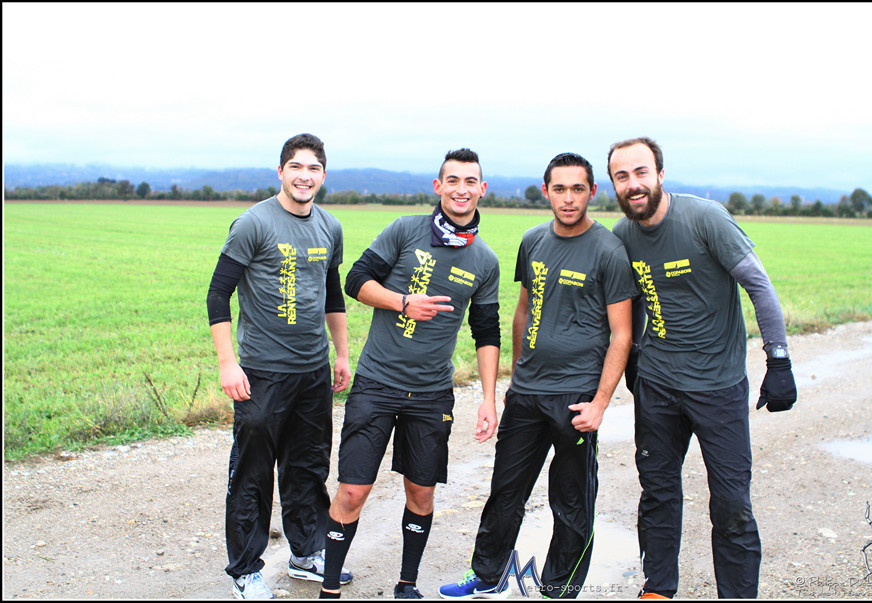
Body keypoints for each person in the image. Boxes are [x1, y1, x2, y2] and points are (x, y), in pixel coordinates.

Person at [606, 137, 798, 599]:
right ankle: (658, 589)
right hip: (658, 386)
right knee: (657, 492)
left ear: (660, 174)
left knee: (731, 502)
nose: (633, 184)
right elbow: (628, 303)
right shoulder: (622, 235)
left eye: (641, 172)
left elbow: (758, 284)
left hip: (718, 387)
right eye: (621, 176)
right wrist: (634, 360)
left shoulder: (705, 218)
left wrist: (778, 359)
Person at [440, 152, 637, 599]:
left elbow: (622, 334)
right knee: (505, 490)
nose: (568, 199)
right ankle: (487, 575)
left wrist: (600, 403)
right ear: (546, 191)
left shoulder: (608, 251)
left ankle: (558, 588)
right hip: (527, 391)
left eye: (578, 189)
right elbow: (524, 309)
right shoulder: (532, 241)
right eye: (559, 189)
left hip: (576, 395)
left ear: (592, 192)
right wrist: (516, 376)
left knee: (571, 499)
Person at [319, 148, 502, 599]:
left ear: (482, 189)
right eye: (452, 180)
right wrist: (403, 302)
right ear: (438, 187)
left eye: (470, 181)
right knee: (352, 492)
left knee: (421, 493)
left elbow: (486, 332)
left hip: (431, 394)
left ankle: (407, 584)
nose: (461, 189)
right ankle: (329, 588)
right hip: (376, 385)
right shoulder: (405, 230)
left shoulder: (485, 261)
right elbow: (355, 280)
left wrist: (488, 398)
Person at [207, 133, 353, 599]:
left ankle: (306, 553)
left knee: (307, 467)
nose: (304, 176)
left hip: (312, 372)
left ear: (323, 175)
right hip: (261, 373)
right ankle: (245, 570)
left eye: (313, 169)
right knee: (252, 474)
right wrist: (228, 364)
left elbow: (332, 295)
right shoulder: (253, 224)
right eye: (296, 167)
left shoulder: (330, 228)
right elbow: (218, 294)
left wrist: (341, 354)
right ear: (281, 171)